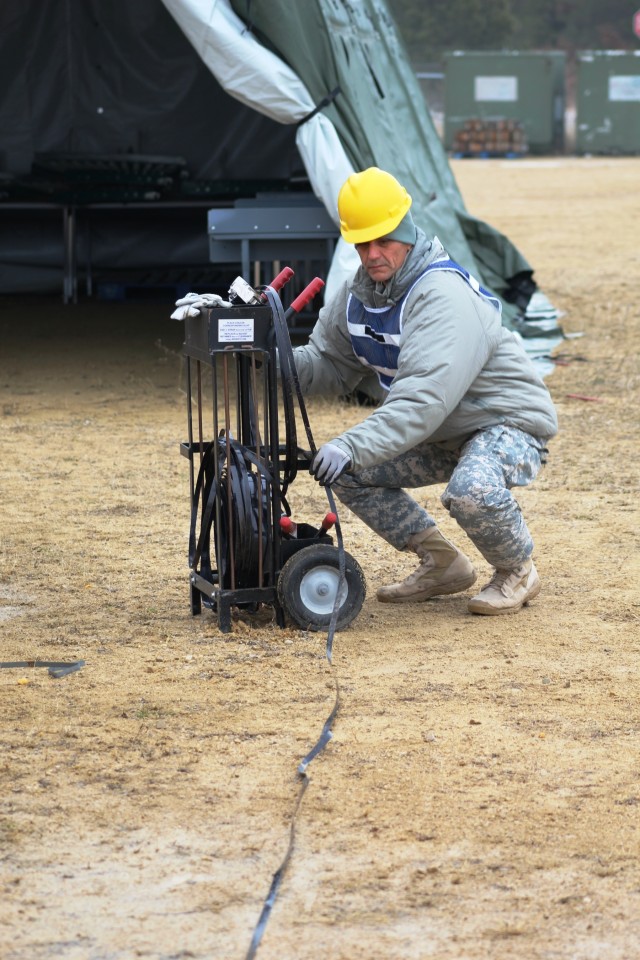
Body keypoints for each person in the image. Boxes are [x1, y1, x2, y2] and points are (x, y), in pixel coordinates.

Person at [296, 166, 558, 615]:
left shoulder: (439, 293)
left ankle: (517, 570)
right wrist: (263, 347)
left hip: (503, 422)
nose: (372, 254)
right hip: (442, 430)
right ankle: (442, 564)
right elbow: (327, 365)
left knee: (470, 489)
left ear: (407, 231)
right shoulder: (360, 296)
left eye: (384, 241)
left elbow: (421, 401)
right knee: (345, 470)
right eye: (362, 244)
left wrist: (351, 443)